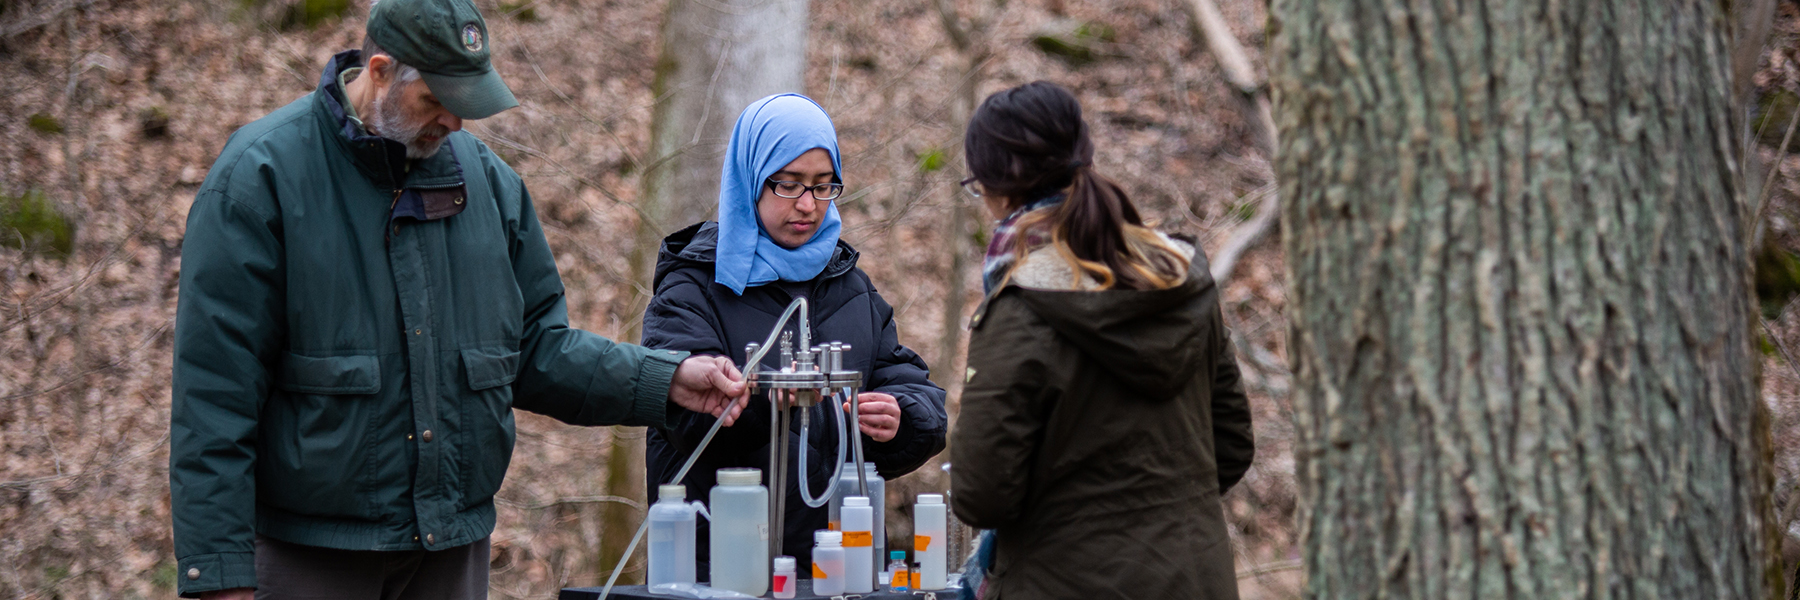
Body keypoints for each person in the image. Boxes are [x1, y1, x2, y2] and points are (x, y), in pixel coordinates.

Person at [168, 1, 747, 598]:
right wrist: (219, 573)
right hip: (307, 559)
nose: (454, 122)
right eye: (436, 101)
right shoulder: (259, 177)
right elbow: (215, 395)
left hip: (451, 556)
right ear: (381, 70)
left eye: (465, 104)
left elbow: (540, 350)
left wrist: (667, 378)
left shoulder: (489, 185)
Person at [948, 81, 1255, 600]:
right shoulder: (1177, 276)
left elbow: (982, 495)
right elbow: (1232, 444)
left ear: (1000, 187)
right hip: (1198, 579)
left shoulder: (1022, 305)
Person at [640, 93, 948, 574]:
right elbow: (685, 418)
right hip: (725, 565)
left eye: (824, 187)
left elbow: (913, 388)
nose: (808, 205)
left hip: (842, 561)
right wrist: (770, 398)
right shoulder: (692, 288)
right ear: (751, 181)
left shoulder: (850, 287)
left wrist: (903, 416)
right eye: (789, 185)